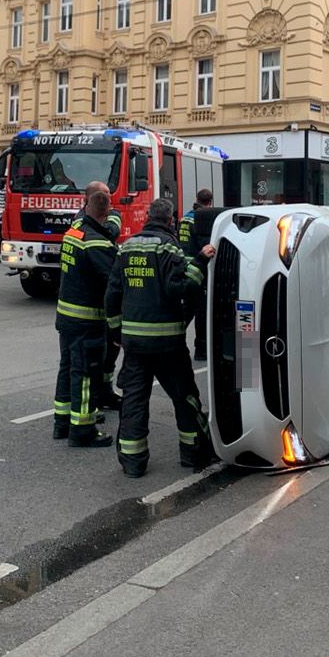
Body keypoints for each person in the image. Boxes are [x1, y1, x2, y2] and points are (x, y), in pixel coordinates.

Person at [105, 198, 218, 477]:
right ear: (170, 220)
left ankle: (133, 461)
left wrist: (116, 333)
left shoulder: (127, 247)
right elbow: (180, 289)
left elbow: (112, 295)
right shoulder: (169, 247)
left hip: (134, 343)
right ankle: (193, 453)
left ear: (147, 217)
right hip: (167, 342)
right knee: (185, 396)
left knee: (134, 399)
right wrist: (200, 262)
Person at [52, 182, 122, 446]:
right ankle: (83, 430)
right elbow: (113, 283)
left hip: (66, 317)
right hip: (87, 320)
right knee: (84, 375)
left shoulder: (75, 230)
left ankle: (62, 422)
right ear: (105, 214)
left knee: (67, 367)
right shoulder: (96, 243)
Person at [177, 188, 223, 361]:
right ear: (210, 201)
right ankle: (201, 349)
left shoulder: (185, 218)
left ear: (196, 199)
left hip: (185, 267)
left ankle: (174, 338)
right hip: (200, 268)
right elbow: (207, 244)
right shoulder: (206, 219)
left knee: (186, 309)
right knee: (201, 311)